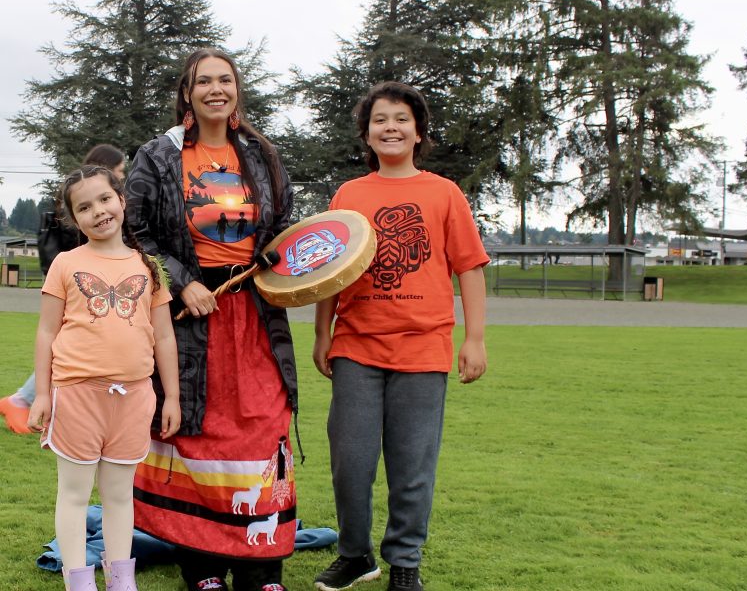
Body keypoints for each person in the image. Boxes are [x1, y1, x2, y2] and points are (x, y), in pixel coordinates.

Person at [125, 48, 298, 591]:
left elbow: (284, 225)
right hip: (190, 320)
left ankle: (261, 567)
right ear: (187, 92)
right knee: (198, 435)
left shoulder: (263, 156)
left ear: (237, 91)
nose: (216, 89)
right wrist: (182, 280)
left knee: (264, 427)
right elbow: (136, 234)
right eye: (205, 81)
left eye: (226, 80)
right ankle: (202, 569)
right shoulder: (157, 156)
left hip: (255, 315)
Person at [312, 81, 488, 591]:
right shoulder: (350, 194)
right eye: (380, 120)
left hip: (424, 348)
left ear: (418, 131)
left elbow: (470, 269)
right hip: (357, 349)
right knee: (351, 462)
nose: (390, 127)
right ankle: (355, 554)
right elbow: (331, 268)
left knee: (412, 467)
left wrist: (474, 339)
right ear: (367, 134)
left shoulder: (443, 193)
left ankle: (405, 563)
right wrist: (323, 331)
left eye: (401, 119)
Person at [27, 165, 181, 591]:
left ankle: (120, 579)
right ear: (74, 219)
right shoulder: (66, 263)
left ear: (121, 200)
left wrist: (171, 398)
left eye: (104, 199)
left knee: (118, 496)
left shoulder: (148, 266)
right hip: (77, 396)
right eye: (84, 206)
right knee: (74, 495)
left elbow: (164, 336)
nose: (98, 211)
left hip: (134, 399)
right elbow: (47, 332)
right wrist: (42, 394)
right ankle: (78, 580)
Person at [0, 145, 127, 434]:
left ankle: (24, 399)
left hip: (84, 288)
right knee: (63, 346)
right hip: (75, 289)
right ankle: (22, 400)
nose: (123, 176)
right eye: (119, 171)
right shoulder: (79, 212)